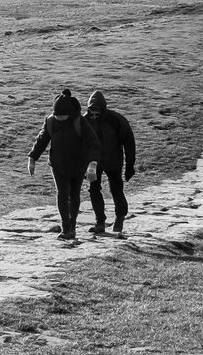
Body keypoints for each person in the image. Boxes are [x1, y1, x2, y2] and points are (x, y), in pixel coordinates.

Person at [28, 88, 99, 241]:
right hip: (57, 164)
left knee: (74, 195)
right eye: (57, 115)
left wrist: (92, 164)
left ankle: (72, 226)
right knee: (62, 194)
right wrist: (32, 158)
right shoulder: (51, 121)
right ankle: (65, 227)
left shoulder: (80, 121)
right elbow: (42, 140)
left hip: (78, 164)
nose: (59, 118)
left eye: (62, 116)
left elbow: (93, 143)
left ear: (69, 113)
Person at [84, 91, 136, 236]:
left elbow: (129, 142)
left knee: (116, 189)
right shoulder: (85, 120)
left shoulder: (116, 119)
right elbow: (80, 144)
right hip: (94, 162)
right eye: (91, 111)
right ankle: (100, 222)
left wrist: (130, 165)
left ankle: (120, 218)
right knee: (94, 190)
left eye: (97, 111)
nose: (94, 114)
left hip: (114, 161)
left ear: (103, 108)